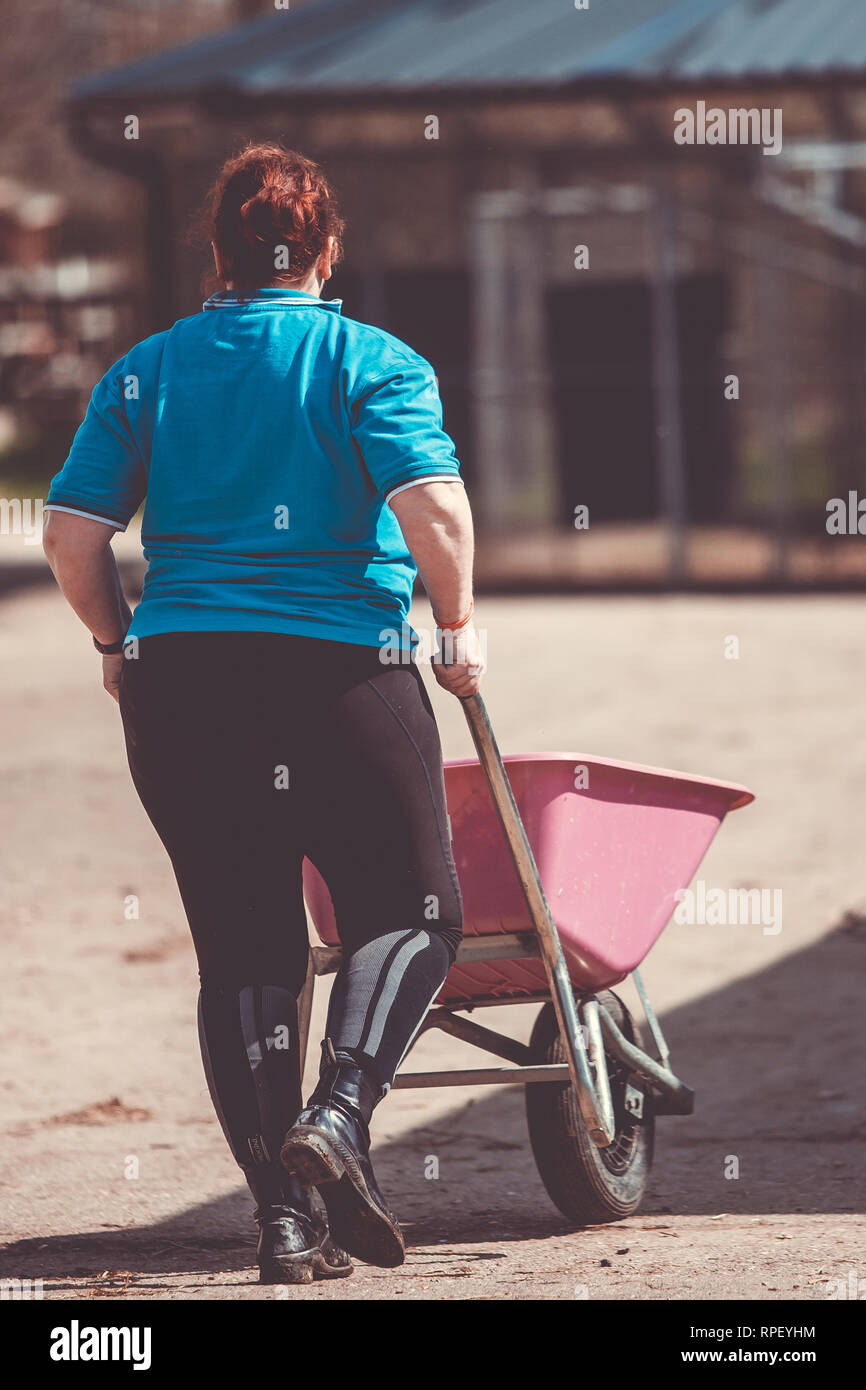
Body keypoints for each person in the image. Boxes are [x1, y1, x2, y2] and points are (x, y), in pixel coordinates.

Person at [42, 143, 484, 1284]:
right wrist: (457, 623)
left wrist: (112, 640)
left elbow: (69, 536)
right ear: (325, 249)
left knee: (246, 950)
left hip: (183, 680)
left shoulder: (148, 368)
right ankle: (340, 1111)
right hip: (336, 671)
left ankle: (285, 1226)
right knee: (417, 911)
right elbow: (432, 507)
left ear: (221, 255)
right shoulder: (366, 357)